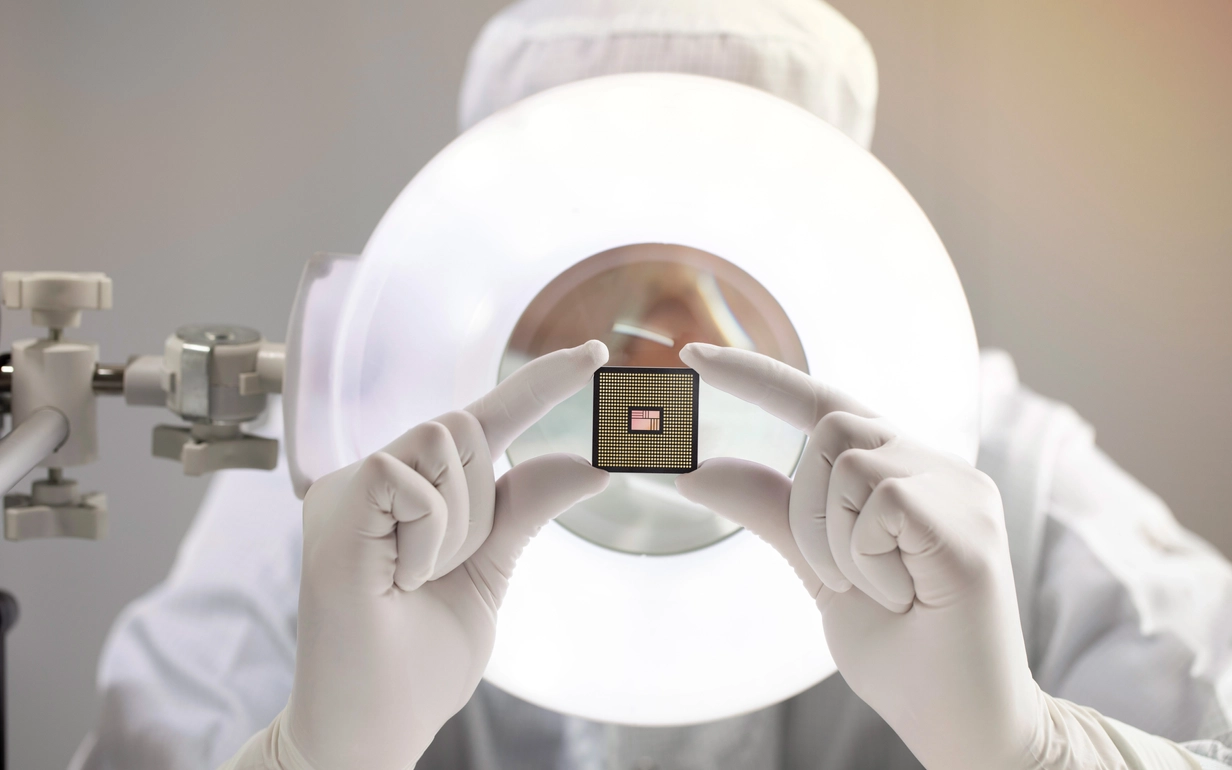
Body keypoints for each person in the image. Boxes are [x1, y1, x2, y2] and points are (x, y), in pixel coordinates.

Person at [72, 1, 1232, 769]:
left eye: (726, 258)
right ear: (493, 243)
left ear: (832, 240)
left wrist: (1030, 749)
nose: (667, 337)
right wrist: (311, 754)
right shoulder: (362, 480)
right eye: (606, 252)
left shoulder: (994, 485)